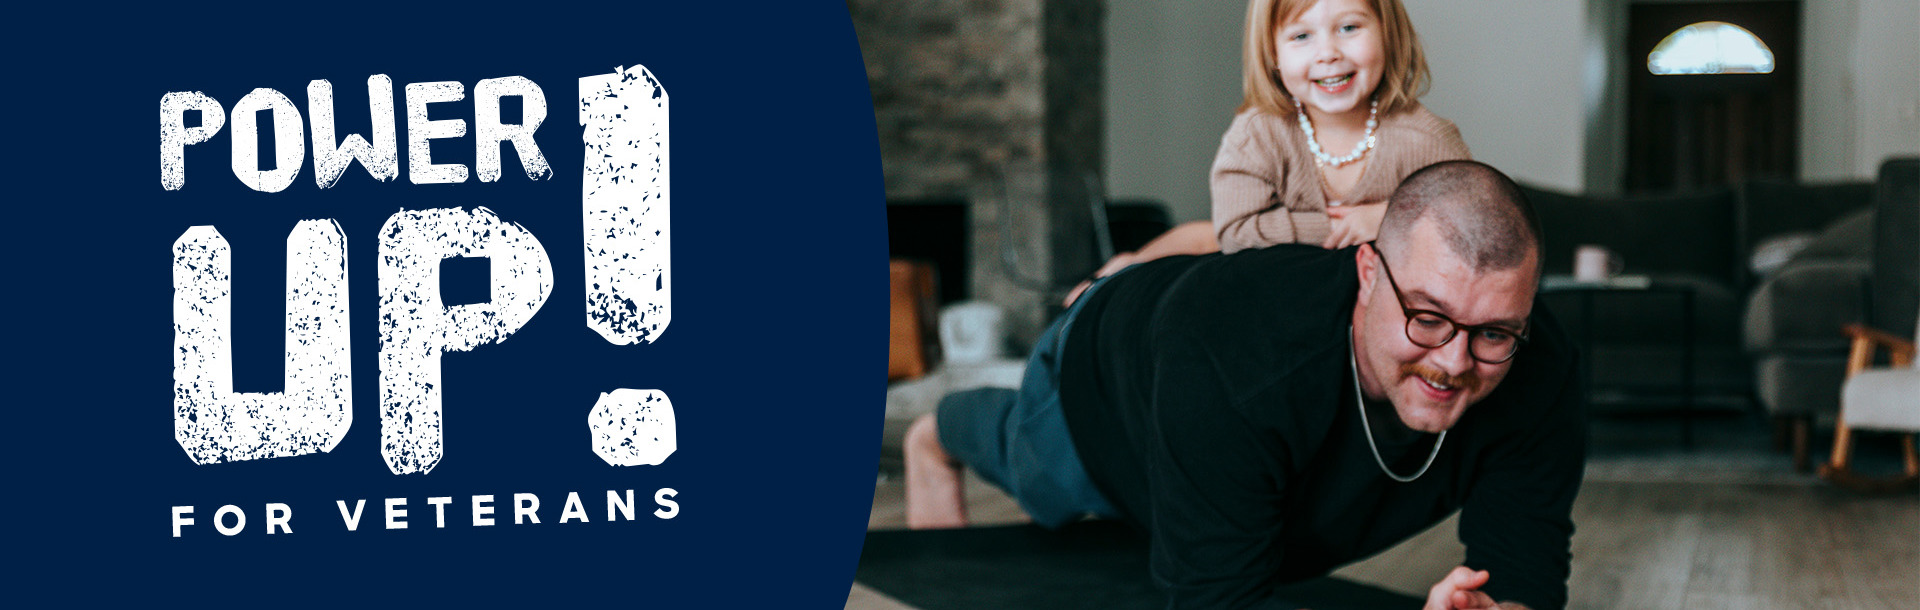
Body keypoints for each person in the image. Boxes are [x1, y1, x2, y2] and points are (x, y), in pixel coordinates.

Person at [905, 161, 1584, 610]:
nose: (1456, 362)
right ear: (1368, 273)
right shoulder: (1235, 361)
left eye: (1493, 332)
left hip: (1210, 378)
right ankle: (943, 430)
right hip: (1106, 365)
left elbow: (1523, 570)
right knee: (1040, 479)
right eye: (1428, 318)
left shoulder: (1538, 361)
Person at [1063, 0, 1469, 306]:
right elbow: (1235, 232)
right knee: (1208, 240)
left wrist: (1386, 217)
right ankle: (1124, 267)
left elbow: (1470, 224)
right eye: (1301, 36)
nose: (1328, 52)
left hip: (1365, 285)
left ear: (1387, 33)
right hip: (1266, 262)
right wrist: (1338, 228)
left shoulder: (1426, 139)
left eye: (1349, 27)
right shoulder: (1259, 132)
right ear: (1273, 54)